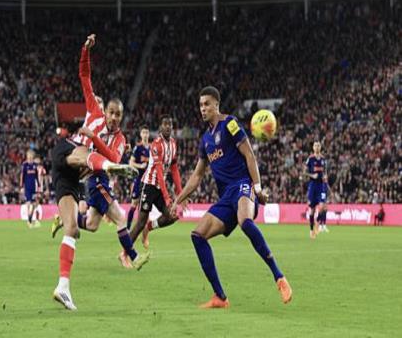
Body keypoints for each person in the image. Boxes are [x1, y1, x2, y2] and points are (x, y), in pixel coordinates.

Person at [171, 86, 292, 308]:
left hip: (242, 185)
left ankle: (279, 277)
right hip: (226, 196)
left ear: (216, 104)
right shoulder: (205, 140)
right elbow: (197, 176)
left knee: (245, 221)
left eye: (207, 104)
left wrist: (257, 189)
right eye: (200, 105)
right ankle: (220, 297)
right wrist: (178, 199)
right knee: (198, 235)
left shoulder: (230, 123)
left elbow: (249, 154)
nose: (203, 108)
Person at [56, 34, 150, 270]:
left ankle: (65, 219)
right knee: (120, 217)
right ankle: (133, 256)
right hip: (88, 173)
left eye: (118, 114)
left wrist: (93, 137)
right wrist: (85, 50)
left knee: (92, 224)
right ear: (105, 111)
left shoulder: (120, 138)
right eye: (111, 112)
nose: (114, 117)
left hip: (98, 175)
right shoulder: (94, 112)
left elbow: (113, 159)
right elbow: (84, 76)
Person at [119, 115, 182, 266]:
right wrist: (167, 197)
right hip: (148, 185)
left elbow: (174, 169)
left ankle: (149, 228)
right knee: (140, 222)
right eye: (165, 124)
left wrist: (181, 193)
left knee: (172, 216)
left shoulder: (173, 144)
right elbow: (159, 172)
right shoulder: (156, 145)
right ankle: (124, 253)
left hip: (160, 187)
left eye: (170, 124)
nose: (167, 126)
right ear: (160, 127)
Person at [127, 125, 150, 237]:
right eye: (143, 132)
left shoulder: (152, 148)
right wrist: (140, 166)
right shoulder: (138, 148)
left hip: (148, 181)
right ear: (141, 134)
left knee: (146, 206)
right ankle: (128, 228)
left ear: (149, 134)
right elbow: (131, 163)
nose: (145, 135)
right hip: (139, 180)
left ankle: (143, 230)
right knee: (134, 205)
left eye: (147, 132)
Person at [304, 141, 328, 238]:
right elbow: (304, 172)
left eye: (318, 145)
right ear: (313, 147)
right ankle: (311, 230)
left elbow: (325, 172)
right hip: (313, 186)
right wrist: (312, 175)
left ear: (320, 147)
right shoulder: (310, 159)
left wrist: (325, 177)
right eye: (315, 145)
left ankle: (317, 224)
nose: (317, 147)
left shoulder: (323, 159)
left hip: (321, 185)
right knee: (312, 210)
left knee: (322, 207)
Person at [20, 149, 40, 228]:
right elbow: (22, 176)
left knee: (34, 204)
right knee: (28, 203)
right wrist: (22, 186)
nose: (30, 158)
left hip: (33, 187)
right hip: (27, 187)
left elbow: (36, 176)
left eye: (31, 157)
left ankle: (30, 217)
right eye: (29, 157)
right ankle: (29, 221)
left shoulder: (35, 165)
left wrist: (38, 184)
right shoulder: (25, 165)